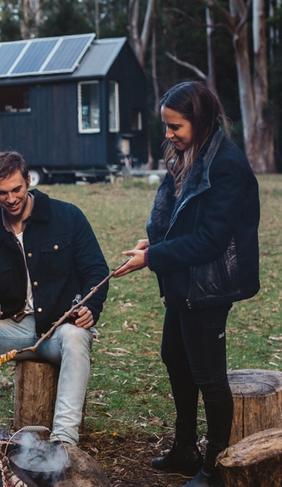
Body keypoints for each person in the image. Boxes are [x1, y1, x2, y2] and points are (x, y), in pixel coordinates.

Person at [115, 81, 260, 487]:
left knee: (210, 376)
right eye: (166, 126)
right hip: (182, 282)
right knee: (175, 359)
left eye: (175, 126)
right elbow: (182, 216)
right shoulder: (187, 155)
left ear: (199, 121)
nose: (168, 134)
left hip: (209, 287)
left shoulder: (226, 164)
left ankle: (216, 466)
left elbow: (211, 240)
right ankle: (184, 449)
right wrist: (154, 244)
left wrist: (153, 258)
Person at [0, 151, 109, 445]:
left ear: (28, 181)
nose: (11, 199)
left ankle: (64, 442)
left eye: (17, 189)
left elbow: (96, 271)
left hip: (58, 329)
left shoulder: (68, 217)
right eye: (2, 193)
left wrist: (91, 308)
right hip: (11, 333)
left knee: (77, 337)